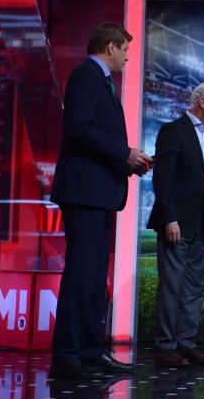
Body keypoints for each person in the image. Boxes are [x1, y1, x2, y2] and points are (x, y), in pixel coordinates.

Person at [50, 22, 152, 377]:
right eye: (125, 49)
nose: (127, 57)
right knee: (81, 275)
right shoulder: (86, 75)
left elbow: (97, 136)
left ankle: (92, 351)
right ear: (110, 46)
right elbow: (78, 128)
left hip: (99, 192)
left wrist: (128, 161)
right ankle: (68, 354)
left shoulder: (102, 81)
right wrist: (123, 154)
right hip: (84, 192)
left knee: (94, 278)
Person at [147, 82, 204, 367]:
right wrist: (170, 218)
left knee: (194, 287)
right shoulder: (172, 131)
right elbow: (162, 180)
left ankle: (186, 343)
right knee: (172, 286)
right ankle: (165, 346)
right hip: (176, 224)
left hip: (201, 225)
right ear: (203, 102)